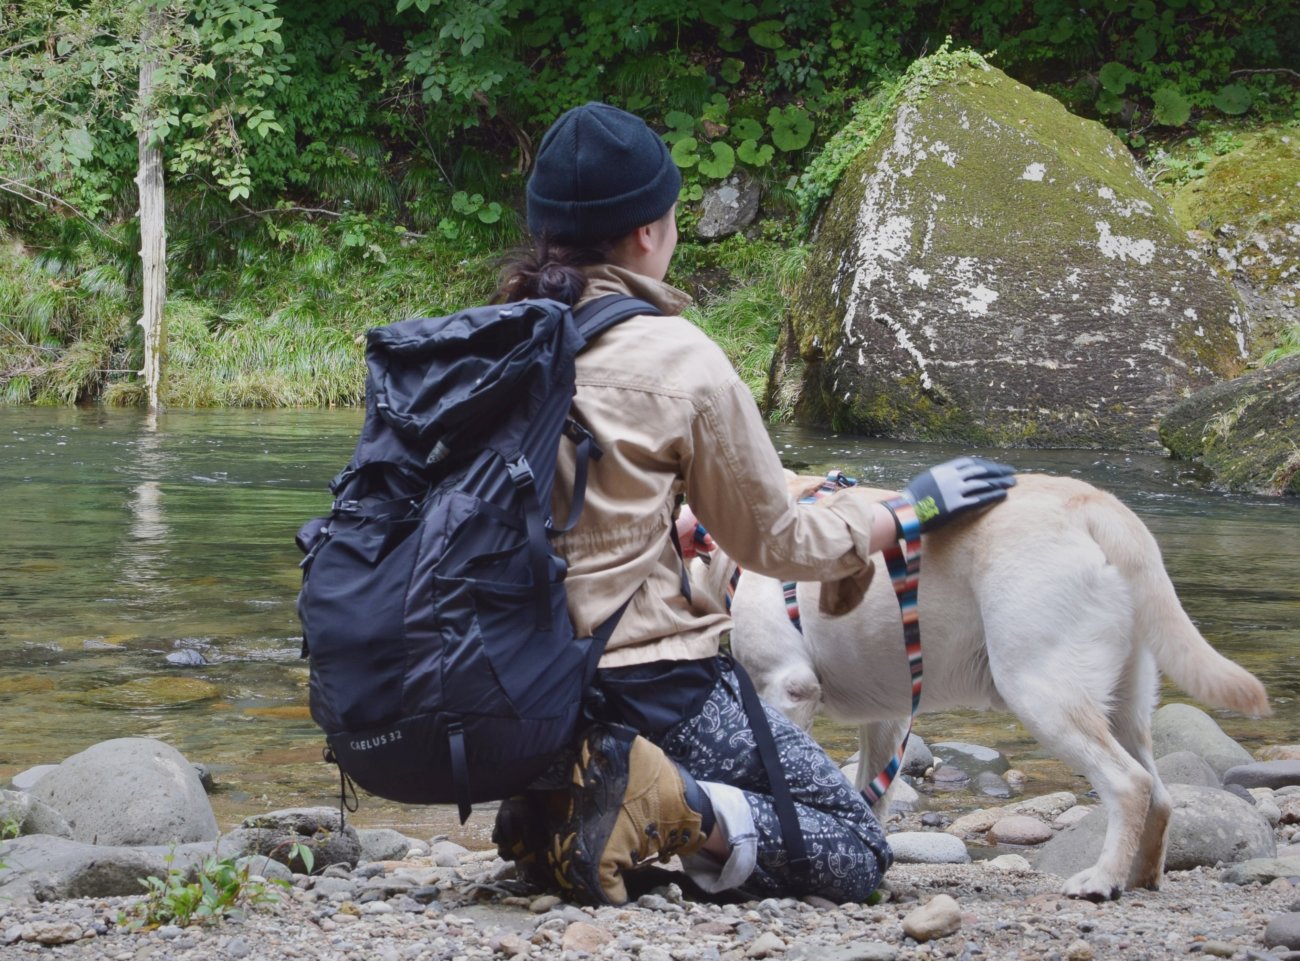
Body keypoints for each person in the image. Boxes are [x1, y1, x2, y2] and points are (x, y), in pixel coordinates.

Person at [491, 101, 1015, 906]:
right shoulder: (676, 356)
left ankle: (555, 799)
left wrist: (664, 525)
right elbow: (779, 540)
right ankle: (669, 803)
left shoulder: (486, 340)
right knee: (855, 849)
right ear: (648, 234)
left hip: (510, 687)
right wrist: (902, 514)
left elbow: (550, 507)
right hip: (637, 681)